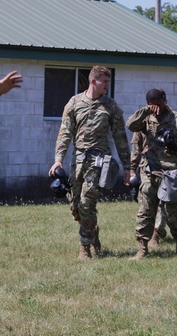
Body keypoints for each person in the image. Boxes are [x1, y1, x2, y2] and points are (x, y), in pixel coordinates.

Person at [48, 65, 132, 260]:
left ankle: (85, 248)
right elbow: (65, 132)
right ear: (93, 81)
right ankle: (92, 232)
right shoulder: (74, 102)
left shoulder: (111, 106)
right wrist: (58, 161)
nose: (107, 86)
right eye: (104, 82)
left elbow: (120, 138)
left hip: (99, 161)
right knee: (76, 206)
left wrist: (128, 167)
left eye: (108, 82)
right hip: (77, 161)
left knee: (87, 202)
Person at [125, 88, 177, 259]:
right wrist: (146, 110)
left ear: (165, 100)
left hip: (171, 173)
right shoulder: (146, 119)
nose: (155, 108)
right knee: (145, 211)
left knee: (172, 213)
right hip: (149, 170)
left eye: (157, 104)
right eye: (151, 105)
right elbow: (130, 125)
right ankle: (142, 249)